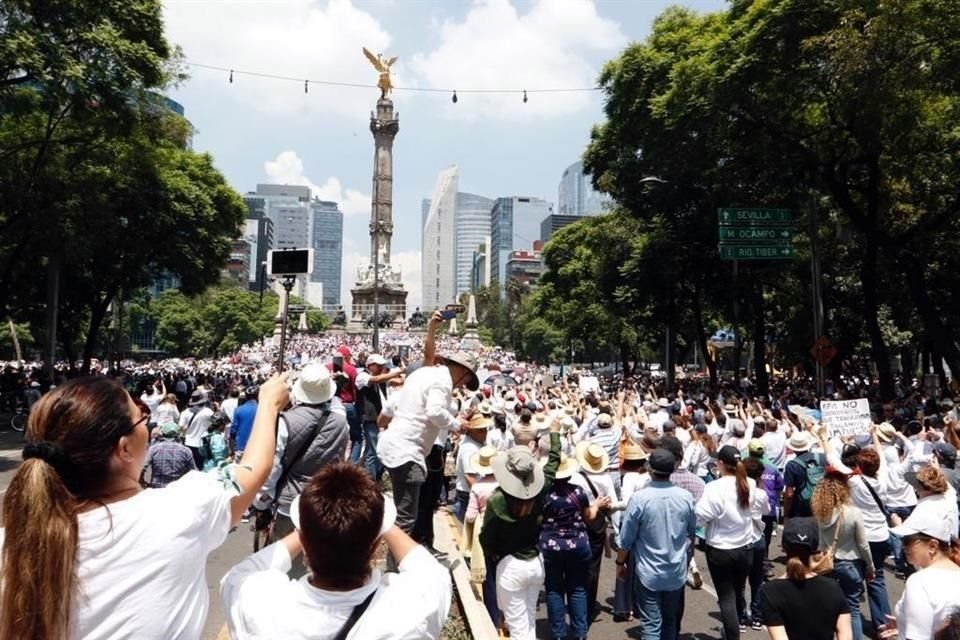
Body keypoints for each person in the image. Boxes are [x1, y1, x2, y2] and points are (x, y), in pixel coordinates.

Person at [0, 373, 289, 640]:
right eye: (141, 417)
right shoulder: (181, 512)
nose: (148, 428)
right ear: (124, 448)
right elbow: (253, 469)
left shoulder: (10, 543)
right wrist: (268, 404)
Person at [220, 463, 451, 639]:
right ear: (375, 545)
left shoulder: (260, 605)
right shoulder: (412, 608)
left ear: (304, 542)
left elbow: (243, 572)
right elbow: (430, 570)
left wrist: (308, 529)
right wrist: (380, 524)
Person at [377, 338, 476, 550]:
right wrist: (456, 425)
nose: (464, 385)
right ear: (462, 371)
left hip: (395, 446)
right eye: (466, 380)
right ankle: (397, 572)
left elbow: (428, 353)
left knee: (404, 514)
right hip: (408, 451)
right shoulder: (443, 381)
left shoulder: (424, 373)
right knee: (406, 520)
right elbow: (435, 411)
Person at [480, 421, 562, 640]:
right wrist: (554, 435)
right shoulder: (541, 490)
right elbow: (553, 464)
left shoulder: (497, 501)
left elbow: (486, 537)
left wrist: (493, 553)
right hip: (535, 563)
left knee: (517, 628)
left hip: (510, 565)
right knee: (528, 621)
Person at [255, 363, 349, 542]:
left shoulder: (284, 422)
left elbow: (272, 467)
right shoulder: (341, 422)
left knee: (287, 561)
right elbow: (342, 458)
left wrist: (262, 502)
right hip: (326, 498)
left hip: (291, 502)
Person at [616, 448, 697, 640]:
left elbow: (626, 539)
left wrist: (621, 563)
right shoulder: (685, 497)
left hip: (649, 571)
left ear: (650, 469)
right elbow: (691, 532)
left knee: (652, 625)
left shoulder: (640, 499)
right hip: (676, 570)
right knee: (669, 622)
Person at [696, 445, 770, 640]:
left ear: (720, 464)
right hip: (745, 548)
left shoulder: (715, 487)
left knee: (727, 597)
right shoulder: (750, 484)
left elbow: (701, 516)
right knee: (737, 592)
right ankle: (732, 630)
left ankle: (732, 634)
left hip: (721, 548)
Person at [539, 453, 607, 640]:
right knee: (577, 589)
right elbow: (589, 516)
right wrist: (596, 505)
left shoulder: (544, 495)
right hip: (578, 545)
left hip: (551, 547)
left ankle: (558, 633)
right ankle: (579, 632)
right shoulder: (578, 492)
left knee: (554, 589)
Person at [757, 518, 853, 640]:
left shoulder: (770, 591)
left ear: (785, 547)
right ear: (815, 548)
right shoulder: (833, 587)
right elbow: (845, 634)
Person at [879, 503, 960, 640]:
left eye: (908, 541)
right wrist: (905, 624)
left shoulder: (919, 582)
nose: (902, 546)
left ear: (933, 546)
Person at [811, 470, 875, 640]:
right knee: (852, 609)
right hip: (851, 563)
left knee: (829, 607)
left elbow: (821, 543)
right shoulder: (853, 512)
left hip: (828, 563)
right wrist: (870, 566)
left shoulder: (821, 513)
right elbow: (863, 544)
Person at [356, 353, 403, 482]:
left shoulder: (380, 378)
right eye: (379, 365)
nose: (382, 368)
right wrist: (397, 371)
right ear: (370, 365)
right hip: (370, 418)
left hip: (380, 418)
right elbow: (377, 380)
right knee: (374, 451)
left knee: (381, 449)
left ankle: (377, 477)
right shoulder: (362, 376)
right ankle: (371, 481)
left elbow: (397, 381)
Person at [453, 413, 492, 522]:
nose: (484, 433)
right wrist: (479, 498)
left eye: (485, 429)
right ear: (471, 432)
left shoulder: (477, 444)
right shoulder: (470, 449)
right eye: (480, 430)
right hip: (468, 495)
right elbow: (470, 476)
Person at [328, 345, 362, 464]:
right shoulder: (352, 370)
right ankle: (352, 465)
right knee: (356, 437)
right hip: (348, 405)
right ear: (347, 356)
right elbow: (355, 390)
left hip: (331, 405)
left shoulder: (326, 368)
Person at [783, 430, 825, 519]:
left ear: (793, 448)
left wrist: (786, 514)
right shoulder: (822, 457)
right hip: (823, 500)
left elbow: (789, 494)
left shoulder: (792, 465)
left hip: (803, 506)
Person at [142, 422, 196, 488]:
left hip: (157, 488)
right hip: (177, 489)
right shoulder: (186, 451)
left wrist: (141, 481)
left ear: (162, 434)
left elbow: (142, 467)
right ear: (178, 435)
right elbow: (193, 472)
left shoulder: (154, 449)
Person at [180, 389, 214, 469]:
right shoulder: (208, 412)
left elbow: (181, 427)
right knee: (202, 467)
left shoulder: (185, 412)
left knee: (189, 468)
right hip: (202, 444)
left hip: (188, 443)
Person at [231, 385, 258, 460]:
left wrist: (231, 447)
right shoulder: (262, 410)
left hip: (241, 447)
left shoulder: (238, 410)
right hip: (257, 448)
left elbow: (233, 430)